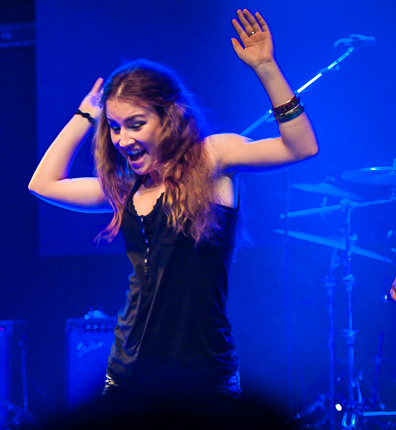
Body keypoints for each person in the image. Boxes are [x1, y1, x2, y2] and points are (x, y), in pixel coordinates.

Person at [29, 10, 318, 400]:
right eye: (114, 127)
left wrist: (266, 67)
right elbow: (43, 184)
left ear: (169, 118)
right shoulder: (127, 189)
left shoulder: (212, 158)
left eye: (136, 124)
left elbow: (301, 147)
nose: (123, 139)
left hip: (205, 379)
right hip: (129, 377)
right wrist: (85, 116)